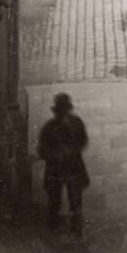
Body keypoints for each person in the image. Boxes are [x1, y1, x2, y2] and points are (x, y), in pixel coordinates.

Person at [37, 92, 89, 236]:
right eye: (60, 111)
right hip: (56, 170)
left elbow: (83, 140)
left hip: (73, 168)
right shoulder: (48, 128)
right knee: (54, 201)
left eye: (65, 110)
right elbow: (42, 149)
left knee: (76, 201)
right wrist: (54, 155)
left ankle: (76, 230)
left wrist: (71, 150)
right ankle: (54, 228)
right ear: (57, 111)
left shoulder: (76, 123)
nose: (63, 114)